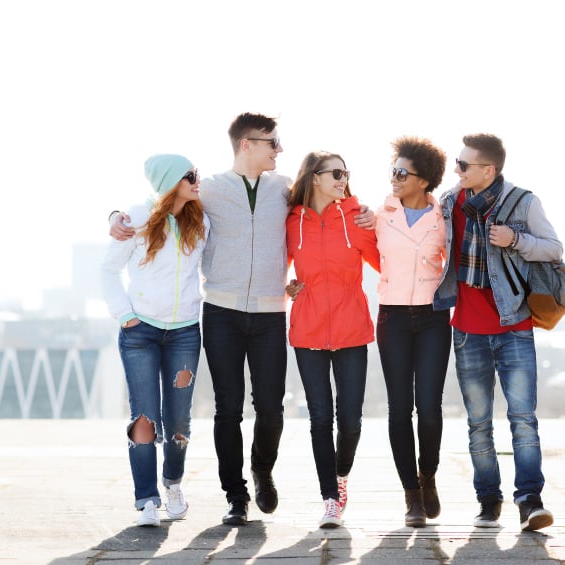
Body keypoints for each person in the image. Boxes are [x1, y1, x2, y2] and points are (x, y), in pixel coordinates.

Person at [109, 113, 375, 526]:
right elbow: (159, 202)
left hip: (270, 313)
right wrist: (115, 216)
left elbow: (324, 212)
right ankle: (236, 495)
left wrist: (367, 214)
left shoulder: (284, 190)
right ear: (246, 145)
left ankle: (262, 469)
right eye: (272, 142)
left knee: (271, 408)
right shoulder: (210, 189)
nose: (279, 149)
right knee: (227, 409)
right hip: (221, 313)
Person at [433, 133, 563, 532]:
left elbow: (553, 249)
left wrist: (516, 239)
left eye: (463, 165)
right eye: (457, 163)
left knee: (523, 419)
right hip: (467, 331)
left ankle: (530, 501)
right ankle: (489, 500)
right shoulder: (450, 202)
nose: (456, 171)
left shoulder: (523, 202)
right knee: (478, 422)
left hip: (514, 327)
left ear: (488, 171)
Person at [100, 154, 209, 527]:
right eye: (190, 175)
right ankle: (146, 498)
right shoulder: (139, 218)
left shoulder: (202, 220)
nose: (198, 180)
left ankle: (173, 483)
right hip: (140, 333)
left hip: (184, 333)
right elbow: (108, 269)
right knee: (145, 418)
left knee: (178, 418)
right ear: (169, 181)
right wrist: (123, 313)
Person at [285, 151, 380, 528]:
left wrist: (377, 224)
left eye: (346, 173)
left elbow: (384, 261)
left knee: (351, 420)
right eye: (336, 173)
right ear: (314, 177)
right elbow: (273, 265)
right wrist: (289, 286)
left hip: (351, 329)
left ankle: (341, 476)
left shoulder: (355, 218)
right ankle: (330, 499)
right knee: (320, 417)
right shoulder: (291, 222)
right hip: (308, 330)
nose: (343, 179)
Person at [375, 136, 450, 528]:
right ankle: (411, 494)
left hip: (434, 317)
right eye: (393, 171)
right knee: (399, 407)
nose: (394, 178)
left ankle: (428, 476)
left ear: (424, 180)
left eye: (402, 173)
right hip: (393, 318)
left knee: (430, 406)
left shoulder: (445, 219)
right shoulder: (378, 217)